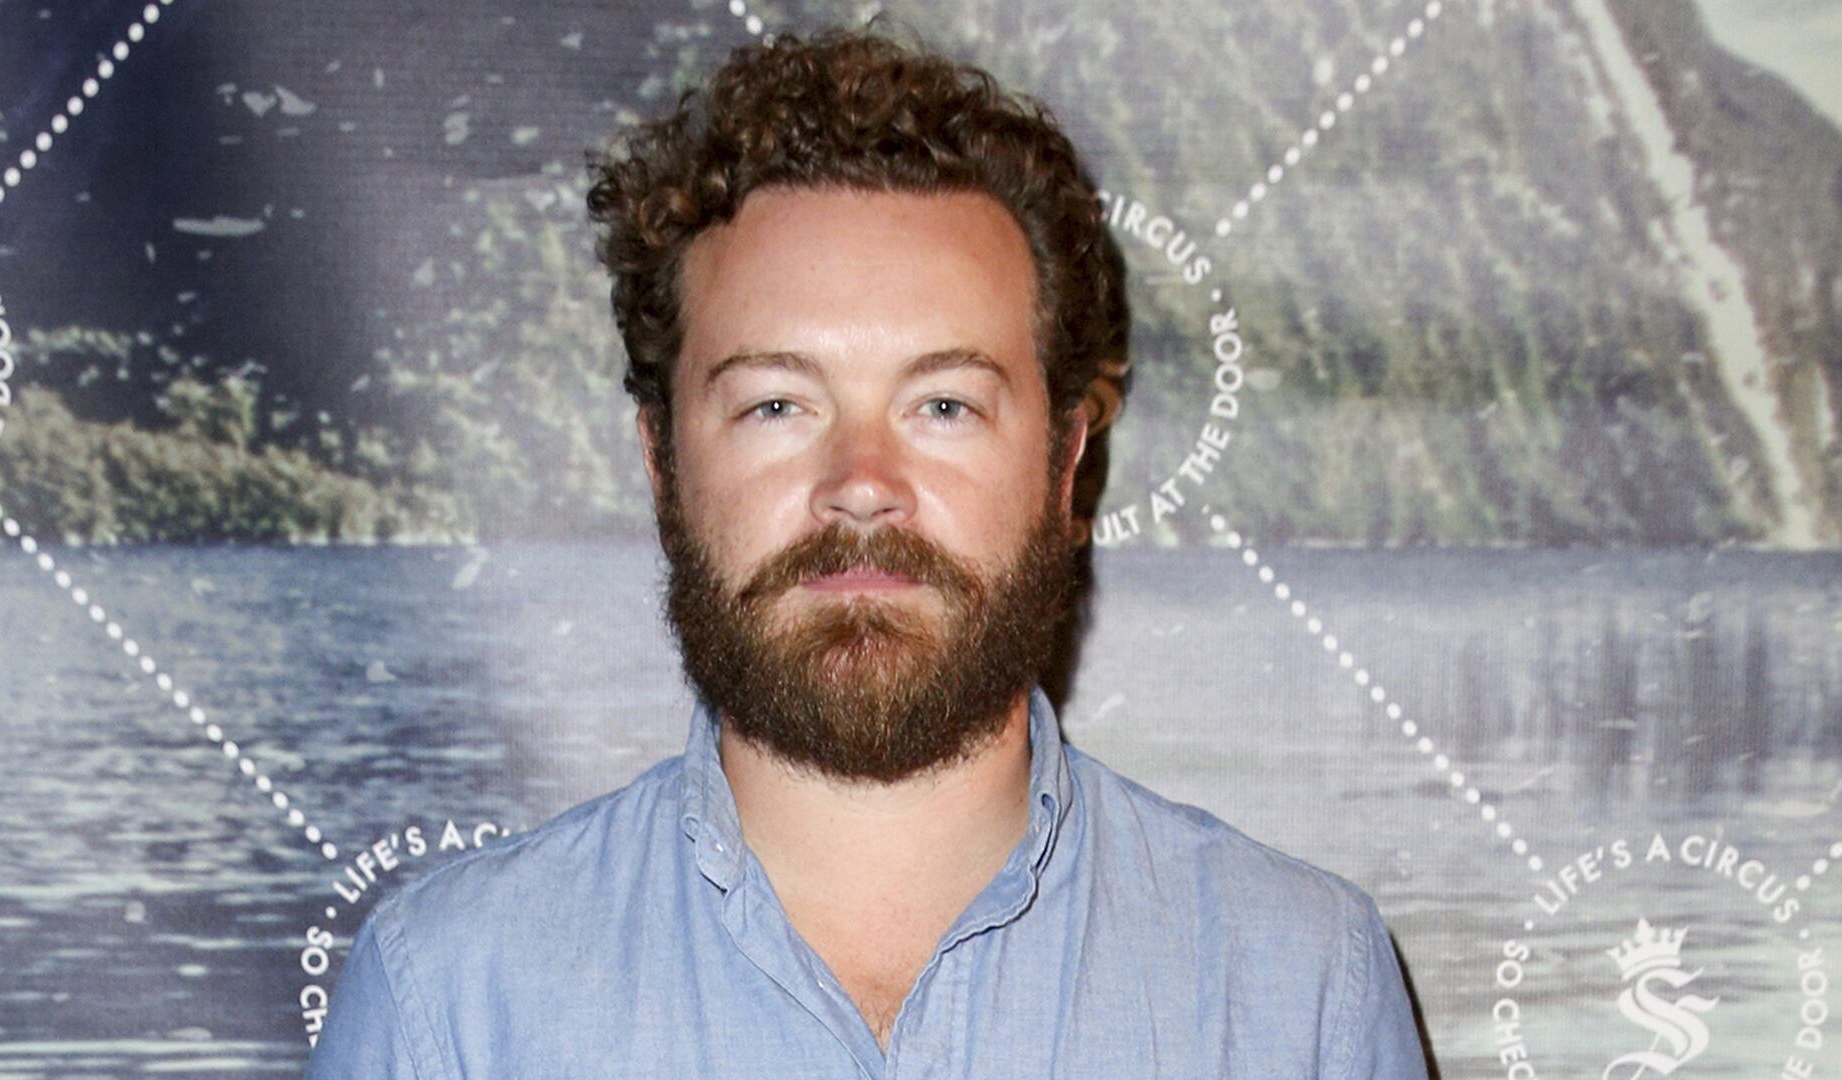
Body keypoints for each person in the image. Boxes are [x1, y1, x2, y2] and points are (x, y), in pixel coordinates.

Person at [305, 24, 1428, 1079]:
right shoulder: (448, 1007)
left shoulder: (1303, 997)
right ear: (661, 461)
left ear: (1064, 463)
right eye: (776, 406)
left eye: (944, 405)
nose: (862, 482)